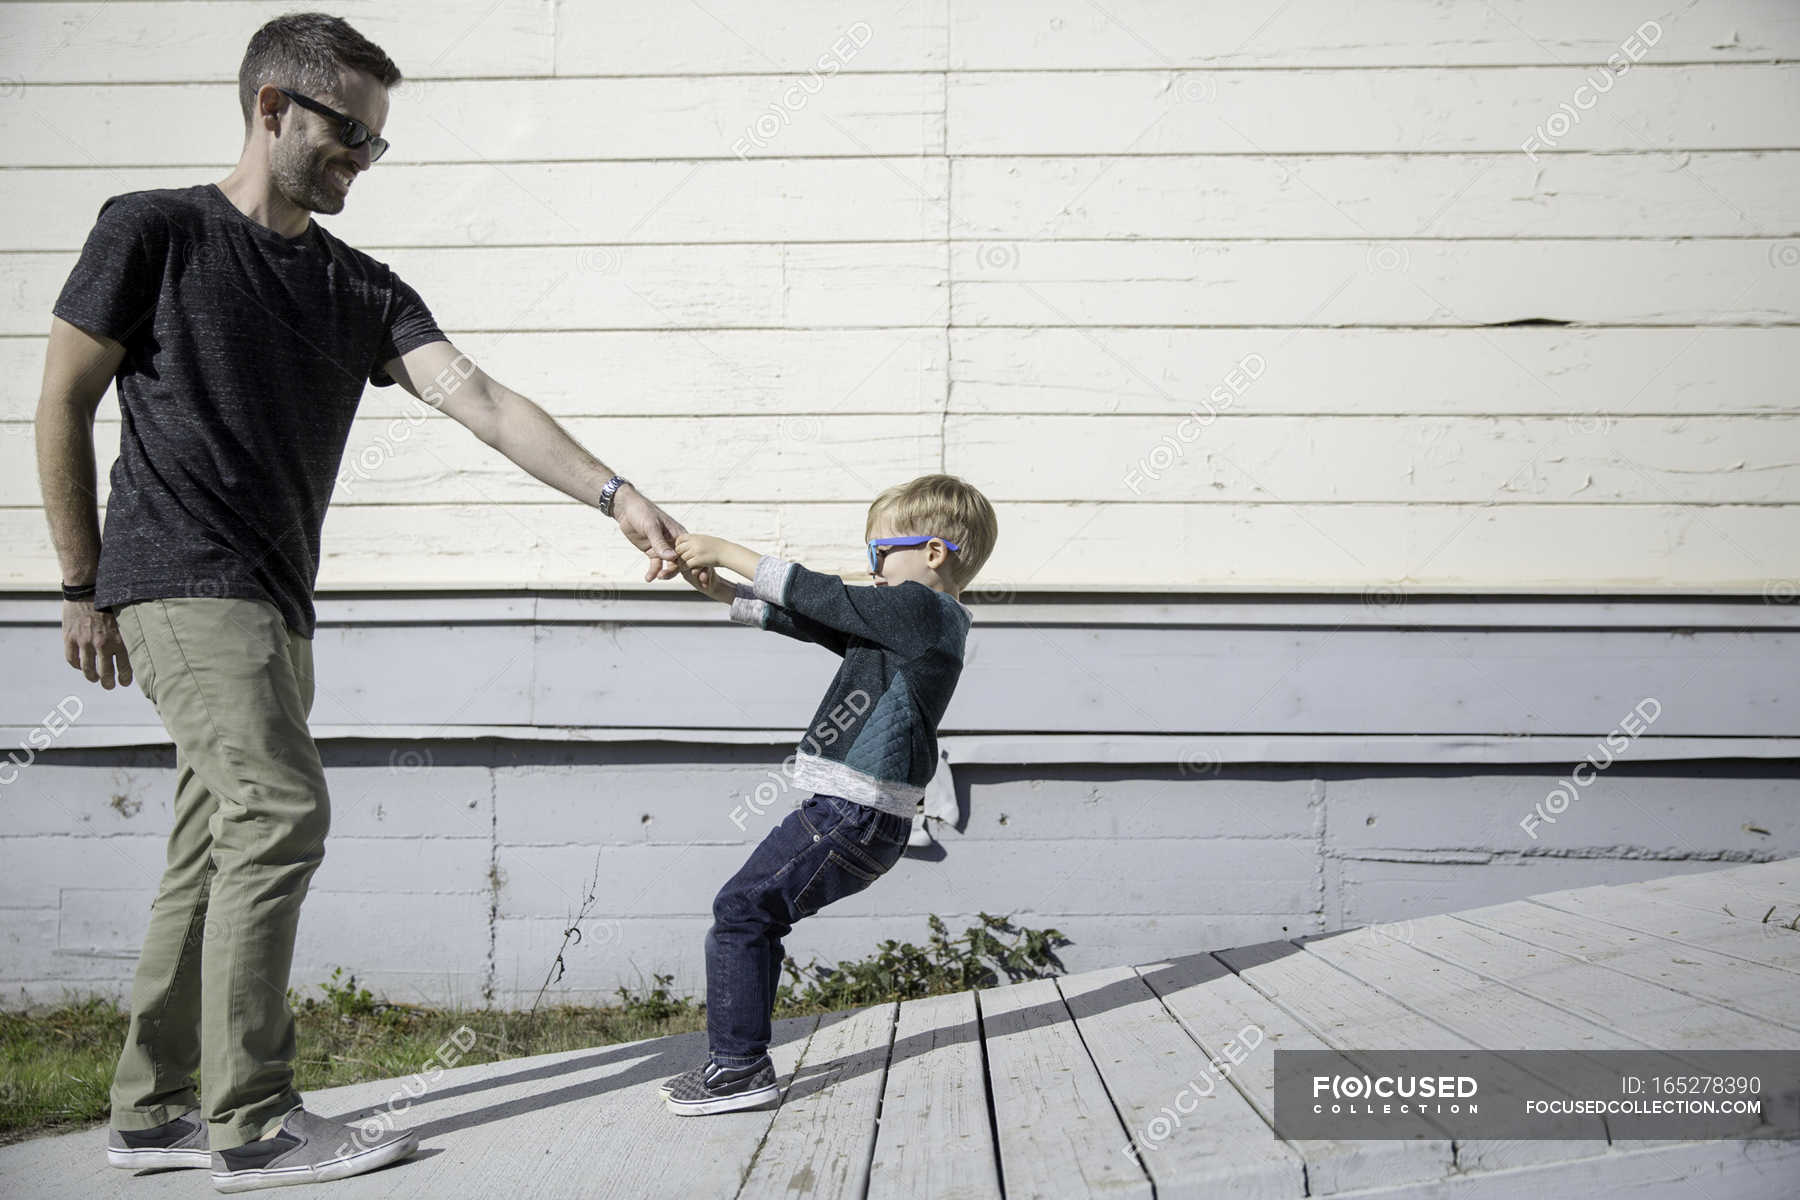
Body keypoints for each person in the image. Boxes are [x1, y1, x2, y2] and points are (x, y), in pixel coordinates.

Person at [35, 13, 685, 1191]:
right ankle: (258, 1121)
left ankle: (152, 1110)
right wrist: (79, 583)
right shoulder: (154, 231)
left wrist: (614, 493)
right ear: (273, 106)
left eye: (376, 146)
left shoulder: (357, 287)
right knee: (280, 814)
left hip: (278, 601)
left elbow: (478, 396)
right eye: (350, 135)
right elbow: (60, 401)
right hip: (180, 574)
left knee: (213, 841)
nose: (362, 161)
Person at [664, 473, 998, 1114]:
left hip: (852, 814)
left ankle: (737, 1069)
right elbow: (818, 620)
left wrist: (727, 550)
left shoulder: (923, 610)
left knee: (742, 910)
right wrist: (724, 594)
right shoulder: (911, 624)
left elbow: (820, 594)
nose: (869, 568)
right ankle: (738, 1060)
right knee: (754, 912)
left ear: (934, 552)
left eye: (878, 553)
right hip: (863, 817)